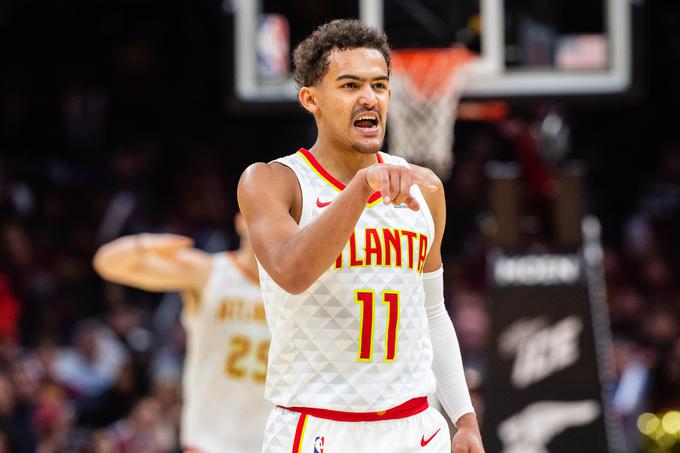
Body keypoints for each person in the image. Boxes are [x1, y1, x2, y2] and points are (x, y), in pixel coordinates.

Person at [238, 19, 484, 453]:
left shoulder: (425, 190)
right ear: (310, 99)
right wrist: (361, 188)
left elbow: (432, 314)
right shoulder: (274, 181)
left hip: (415, 427)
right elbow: (292, 272)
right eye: (350, 85)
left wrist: (464, 419)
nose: (369, 97)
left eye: (380, 85)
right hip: (318, 427)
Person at [92, 214, 272, 453]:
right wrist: (145, 242)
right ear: (240, 221)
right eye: (259, 214)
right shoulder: (208, 271)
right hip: (208, 439)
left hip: (269, 440)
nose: (266, 225)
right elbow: (107, 263)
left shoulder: (297, 287)